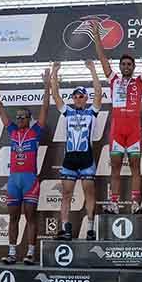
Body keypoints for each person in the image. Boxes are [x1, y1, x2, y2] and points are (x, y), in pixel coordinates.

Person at [91, 20, 142, 214]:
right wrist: (97, 37)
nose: (126, 66)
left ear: (133, 67)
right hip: (117, 130)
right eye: (123, 64)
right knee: (115, 167)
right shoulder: (113, 79)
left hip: (133, 131)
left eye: (129, 64)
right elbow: (102, 58)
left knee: (135, 166)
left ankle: (135, 203)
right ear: (120, 66)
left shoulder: (140, 81)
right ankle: (114, 203)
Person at [0, 69, 50, 265]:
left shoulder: (36, 132)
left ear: (29, 119)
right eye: (18, 117)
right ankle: (12, 252)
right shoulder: (12, 131)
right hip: (14, 180)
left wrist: (47, 86)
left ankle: (30, 252)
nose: (20, 119)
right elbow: (1, 109)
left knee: (31, 217)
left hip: (30, 179)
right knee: (12, 218)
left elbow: (45, 109)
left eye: (24, 117)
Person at [50, 60, 103, 241]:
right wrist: (54, 72)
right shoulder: (67, 112)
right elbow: (55, 95)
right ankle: (65, 228)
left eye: (81, 96)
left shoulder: (92, 112)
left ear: (86, 98)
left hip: (86, 158)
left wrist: (93, 70)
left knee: (89, 193)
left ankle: (90, 228)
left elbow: (99, 93)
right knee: (66, 195)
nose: (78, 99)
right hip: (70, 160)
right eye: (75, 96)